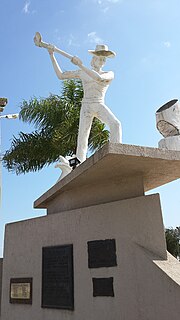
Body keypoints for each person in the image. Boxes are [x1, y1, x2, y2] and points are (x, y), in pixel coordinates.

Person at [48, 44, 122, 163]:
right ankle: (79, 162)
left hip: (99, 104)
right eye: (99, 58)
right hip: (86, 106)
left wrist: (80, 65)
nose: (102, 61)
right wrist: (52, 55)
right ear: (94, 59)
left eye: (104, 59)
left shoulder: (109, 73)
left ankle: (116, 155)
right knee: (82, 138)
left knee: (116, 124)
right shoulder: (82, 72)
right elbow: (61, 75)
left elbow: (98, 78)